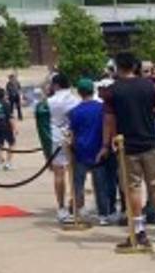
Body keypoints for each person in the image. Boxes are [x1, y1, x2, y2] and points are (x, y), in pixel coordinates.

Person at [104, 52, 155, 248]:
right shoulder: (149, 86)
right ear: (135, 66)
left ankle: (139, 229)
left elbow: (109, 120)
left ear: (117, 67)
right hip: (149, 142)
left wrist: (106, 143)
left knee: (133, 187)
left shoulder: (112, 91)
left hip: (127, 145)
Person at [68, 78, 115, 223]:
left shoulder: (74, 112)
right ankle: (103, 214)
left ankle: (78, 211)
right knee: (100, 184)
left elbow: (73, 133)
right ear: (93, 91)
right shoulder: (102, 108)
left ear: (79, 92)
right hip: (99, 149)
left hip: (81, 150)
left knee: (78, 183)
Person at [46, 72, 81, 222]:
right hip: (73, 136)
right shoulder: (75, 99)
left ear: (56, 85)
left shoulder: (50, 101)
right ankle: (76, 203)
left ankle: (61, 206)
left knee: (59, 174)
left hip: (56, 137)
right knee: (76, 172)